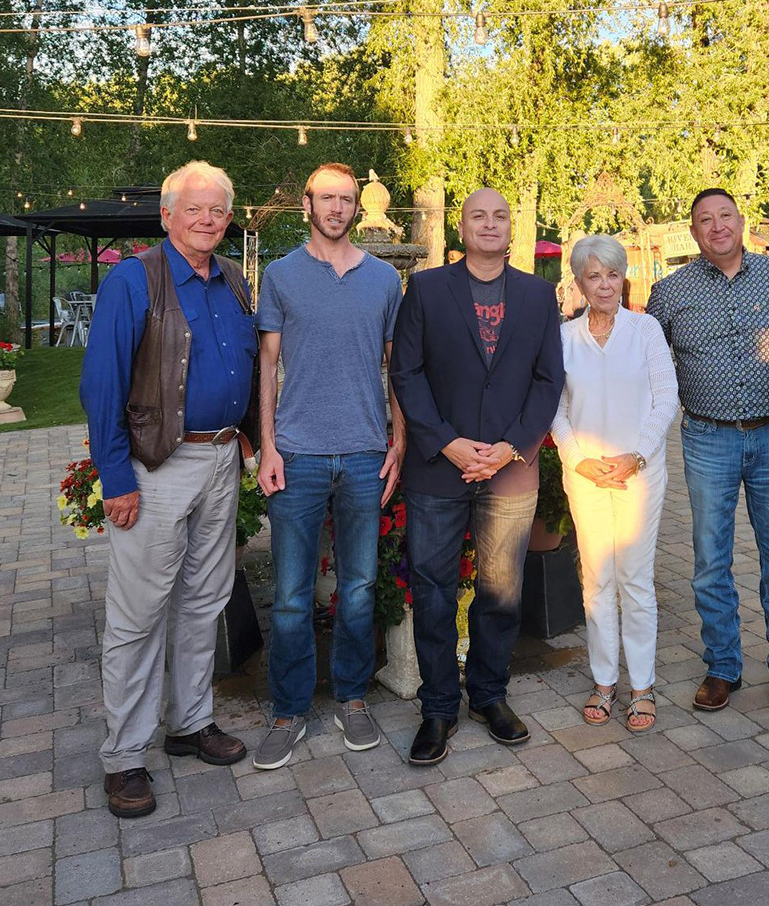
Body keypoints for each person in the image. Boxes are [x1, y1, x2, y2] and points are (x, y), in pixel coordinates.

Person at [81, 160, 256, 817]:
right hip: (156, 467)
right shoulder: (133, 280)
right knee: (138, 614)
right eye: (195, 209)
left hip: (218, 463)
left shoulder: (233, 280)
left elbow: (241, 367)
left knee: (203, 601)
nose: (208, 219)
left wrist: (246, 435)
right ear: (167, 215)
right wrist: (116, 477)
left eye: (217, 210)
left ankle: (190, 723)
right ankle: (125, 756)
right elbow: (101, 386)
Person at [389, 188, 564, 766]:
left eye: (499, 216)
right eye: (478, 215)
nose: (489, 224)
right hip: (440, 469)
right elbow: (406, 372)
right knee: (435, 593)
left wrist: (512, 447)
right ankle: (438, 706)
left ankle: (489, 695)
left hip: (509, 473)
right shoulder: (428, 289)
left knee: (501, 593)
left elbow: (548, 380)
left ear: (511, 227)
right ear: (461, 226)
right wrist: (447, 442)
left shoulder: (539, 296)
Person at [251, 163, 405, 771]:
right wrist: (267, 444)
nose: (337, 208)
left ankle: (351, 696)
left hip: (368, 452)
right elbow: (267, 366)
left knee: (360, 585)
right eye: (327, 198)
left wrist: (398, 441)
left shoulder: (385, 280)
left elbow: (398, 368)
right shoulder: (282, 276)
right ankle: (288, 711)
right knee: (290, 595)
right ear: (308, 203)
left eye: (346, 199)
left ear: (355, 208)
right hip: (299, 454)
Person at [646, 188, 769, 720]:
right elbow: (647, 367)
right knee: (710, 562)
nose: (716, 226)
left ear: (742, 221)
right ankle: (722, 667)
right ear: (693, 232)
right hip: (707, 437)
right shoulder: (669, 293)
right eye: (704, 220)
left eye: (725, 216)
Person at [549, 235, 678, 732]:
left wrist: (637, 454)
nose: (604, 284)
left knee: (635, 581)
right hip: (585, 477)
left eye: (611, 274)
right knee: (596, 580)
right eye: (593, 275)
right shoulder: (564, 338)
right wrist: (579, 460)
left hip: (639, 475)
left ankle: (642, 687)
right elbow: (555, 407)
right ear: (579, 282)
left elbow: (666, 396)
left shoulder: (645, 330)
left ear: (623, 277)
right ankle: (604, 682)